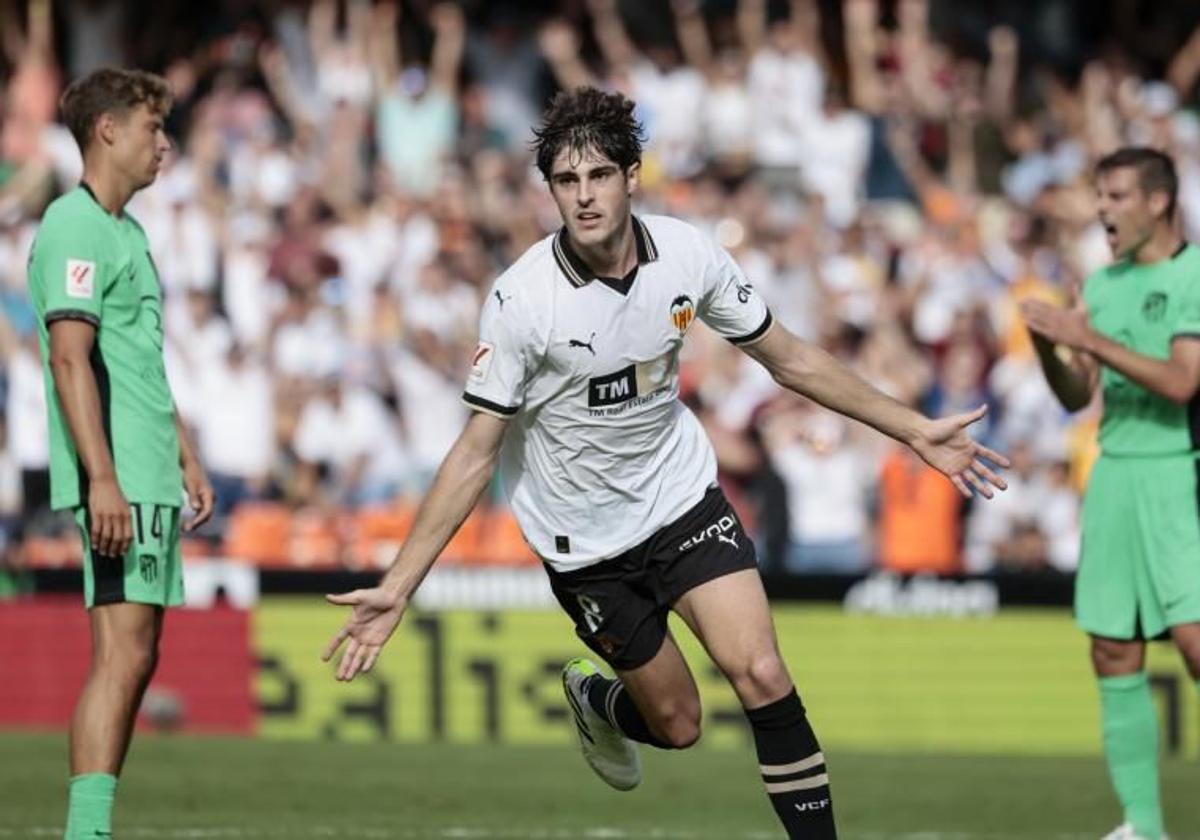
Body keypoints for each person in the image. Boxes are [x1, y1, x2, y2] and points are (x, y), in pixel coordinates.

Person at [323, 87, 1007, 839]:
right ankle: (599, 702)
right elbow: (473, 452)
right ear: (550, 189)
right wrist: (398, 585)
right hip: (583, 544)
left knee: (762, 675)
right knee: (679, 724)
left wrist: (913, 428)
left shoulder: (688, 255)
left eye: (599, 176)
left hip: (681, 503)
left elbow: (793, 361)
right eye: (566, 181)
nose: (584, 197)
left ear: (631, 176)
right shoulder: (523, 300)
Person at [25, 68, 214, 840]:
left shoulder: (125, 231)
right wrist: (102, 477)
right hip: (118, 479)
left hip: (146, 471)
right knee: (121, 652)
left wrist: (185, 453)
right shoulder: (73, 225)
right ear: (107, 130)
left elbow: (136, 361)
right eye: (151, 129)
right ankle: (87, 832)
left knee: (137, 653)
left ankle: (93, 827)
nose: (163, 145)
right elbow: (72, 359)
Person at [1021, 147, 1200, 840]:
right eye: (1100, 196)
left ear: (1158, 201)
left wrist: (1084, 334)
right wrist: (1049, 347)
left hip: (1180, 468)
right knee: (1113, 649)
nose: (1102, 210)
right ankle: (1145, 830)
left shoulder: (1192, 274)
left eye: (1117, 196)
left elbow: (1185, 381)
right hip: (1116, 471)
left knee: (1193, 645)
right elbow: (1077, 396)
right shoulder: (1102, 285)